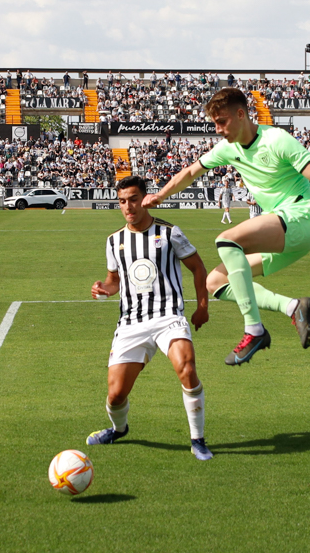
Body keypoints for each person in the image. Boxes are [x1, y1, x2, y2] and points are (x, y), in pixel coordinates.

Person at [143, 88, 310, 366]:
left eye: (222, 122)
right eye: (215, 124)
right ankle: (293, 307)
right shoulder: (228, 149)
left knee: (226, 240)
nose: (219, 130)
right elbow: (189, 172)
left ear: (241, 114)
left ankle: (254, 330)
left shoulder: (276, 140)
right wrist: (160, 195)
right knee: (216, 282)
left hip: (303, 217)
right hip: (281, 232)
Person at [88, 176, 214, 461]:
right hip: (131, 322)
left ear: (145, 199)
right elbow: (114, 281)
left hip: (168, 316)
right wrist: (103, 289)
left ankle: (198, 439)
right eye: (122, 201)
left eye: (134, 199)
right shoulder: (114, 241)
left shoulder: (169, 232)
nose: (128, 207)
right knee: (116, 395)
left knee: (187, 367)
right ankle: (119, 430)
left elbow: (198, 268)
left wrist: (202, 306)